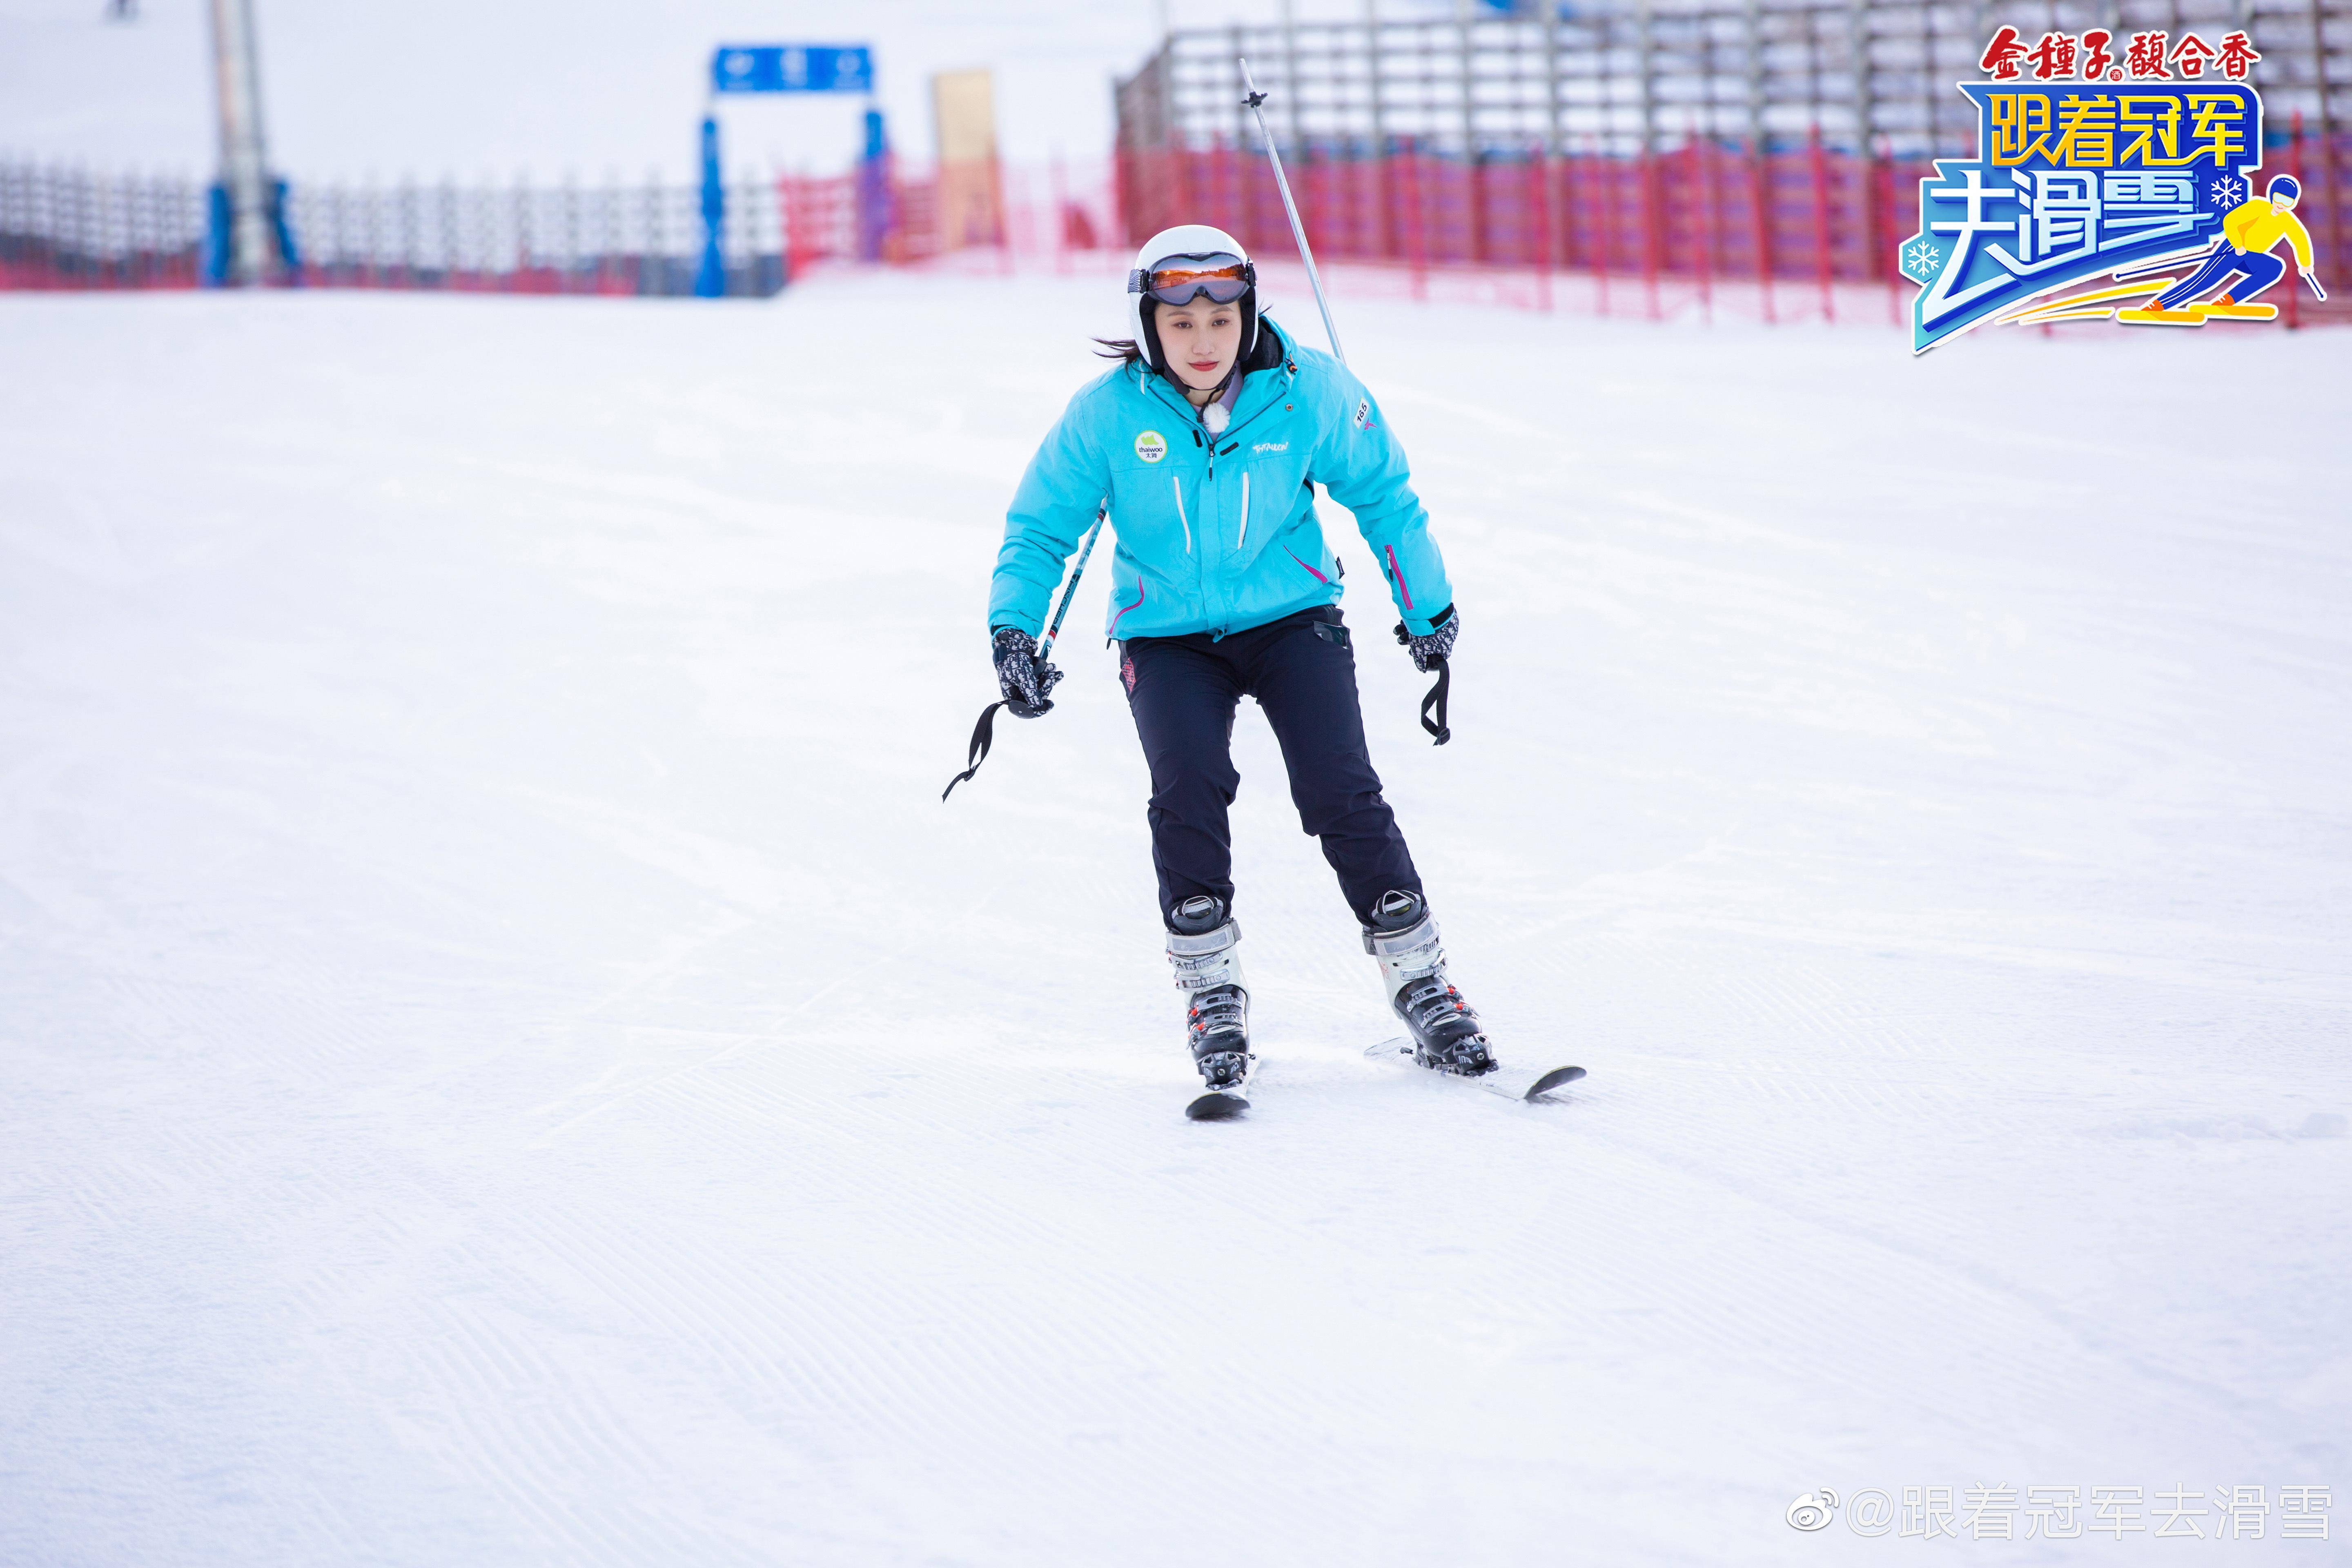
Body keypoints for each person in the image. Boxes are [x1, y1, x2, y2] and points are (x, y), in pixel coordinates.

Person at [985, 223, 1487, 1094]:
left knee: (1341, 789)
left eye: (1221, 321)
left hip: (1292, 618)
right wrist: (1015, 630)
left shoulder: (1308, 394)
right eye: (1181, 326)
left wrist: (1426, 607)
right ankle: (1210, 990)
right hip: (1166, 634)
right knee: (1188, 787)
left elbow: (1384, 495)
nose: (1203, 343)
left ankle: (1421, 979)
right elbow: (1040, 529)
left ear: (1248, 315)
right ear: (1150, 327)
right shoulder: (1108, 415)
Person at [2152, 175, 2323, 312]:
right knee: (2205, 282)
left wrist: (2306, 265)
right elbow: (2231, 221)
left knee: (2274, 267)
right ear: (2272, 195)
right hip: (2233, 249)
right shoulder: (2259, 206)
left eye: (2288, 202)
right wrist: (2238, 244)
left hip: (2251, 257)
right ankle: (2159, 305)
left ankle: (2229, 300)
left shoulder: (2287, 220)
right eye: (2279, 198)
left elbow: (2300, 239)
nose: (2281, 205)